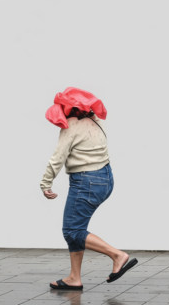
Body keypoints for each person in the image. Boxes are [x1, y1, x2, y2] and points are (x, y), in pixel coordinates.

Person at [41, 87, 137, 290]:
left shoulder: (71, 126)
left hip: (86, 181)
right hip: (105, 178)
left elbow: (58, 158)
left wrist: (45, 183)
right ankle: (74, 278)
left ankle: (117, 255)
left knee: (72, 230)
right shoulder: (96, 120)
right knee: (77, 228)